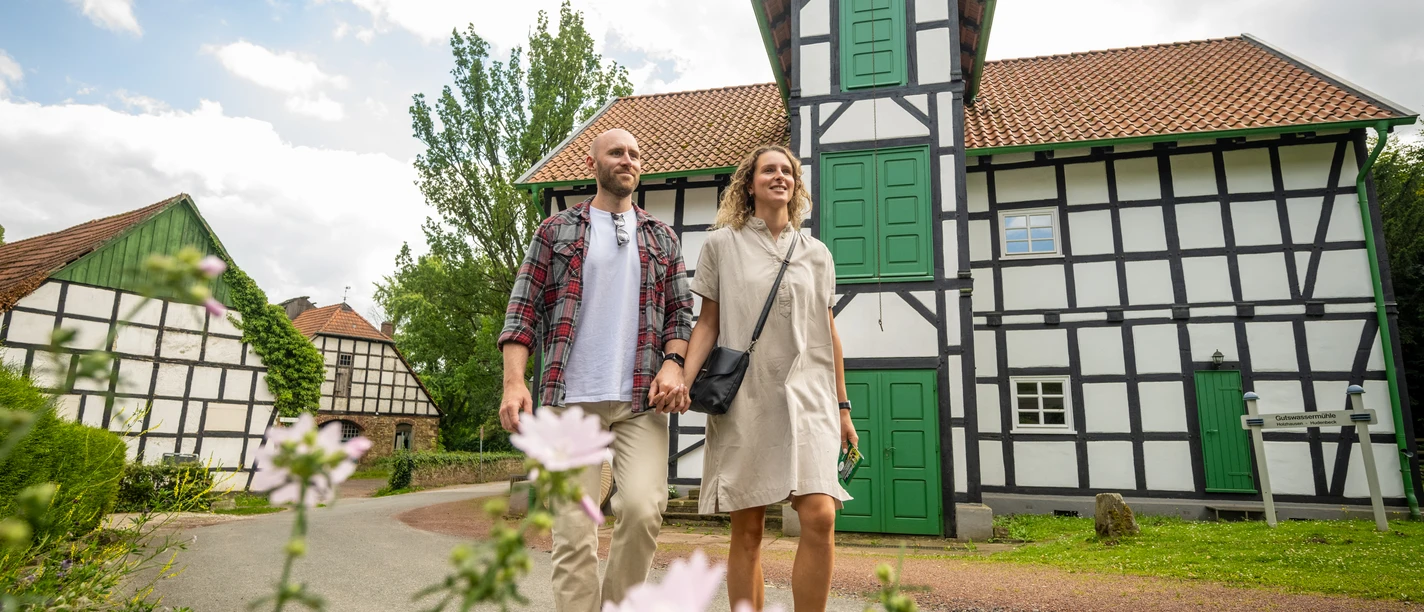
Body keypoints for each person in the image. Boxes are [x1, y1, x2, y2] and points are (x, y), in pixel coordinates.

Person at [497, 128, 694, 612]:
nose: (627, 160)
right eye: (616, 152)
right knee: (573, 527)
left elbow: (680, 316)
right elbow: (522, 312)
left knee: (644, 509)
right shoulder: (555, 231)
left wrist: (673, 364)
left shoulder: (663, 238)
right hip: (569, 400)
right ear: (593, 164)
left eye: (635, 154)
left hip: (640, 401)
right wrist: (514, 382)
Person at [663, 144, 856, 612]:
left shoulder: (817, 253)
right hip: (746, 398)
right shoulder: (721, 244)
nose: (779, 176)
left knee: (820, 516)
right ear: (749, 184)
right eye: (768, 170)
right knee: (747, 529)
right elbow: (708, 322)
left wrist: (843, 406)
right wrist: (684, 379)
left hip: (809, 397)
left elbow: (829, 333)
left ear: (796, 184)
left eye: (787, 171)